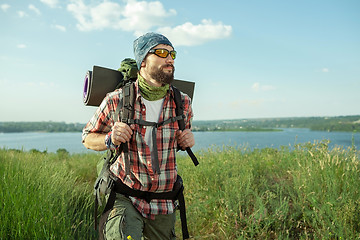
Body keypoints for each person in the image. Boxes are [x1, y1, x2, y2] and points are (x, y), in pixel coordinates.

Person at [82, 32, 195, 240]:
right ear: (143, 61)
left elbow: (179, 136)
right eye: (161, 52)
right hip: (125, 196)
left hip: (164, 201)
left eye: (172, 54)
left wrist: (185, 140)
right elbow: (88, 137)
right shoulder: (116, 100)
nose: (169, 59)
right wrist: (110, 139)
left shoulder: (183, 102)